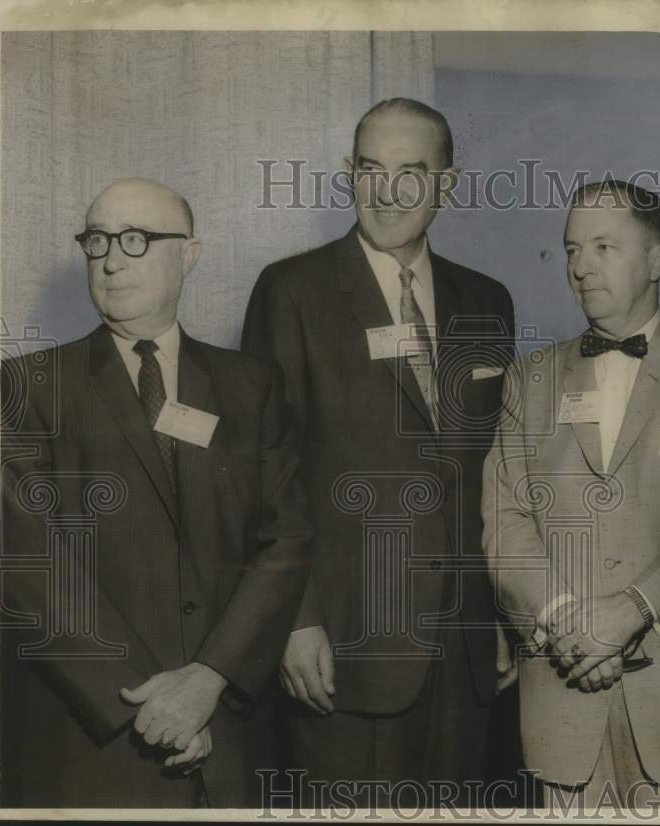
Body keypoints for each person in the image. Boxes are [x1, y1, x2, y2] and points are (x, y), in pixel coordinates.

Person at [0, 177, 316, 807]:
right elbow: (31, 566)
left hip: (227, 737)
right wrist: (155, 706)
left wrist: (207, 681)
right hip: (92, 743)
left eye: (136, 240)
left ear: (189, 254)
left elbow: (285, 539)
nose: (112, 260)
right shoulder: (28, 386)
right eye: (97, 241)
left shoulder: (250, 386)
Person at [242, 98, 516, 804]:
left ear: (447, 185)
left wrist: (500, 617)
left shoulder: (488, 300)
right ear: (348, 174)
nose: (387, 192)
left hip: (463, 652)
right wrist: (295, 621)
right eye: (370, 170)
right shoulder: (291, 291)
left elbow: (496, 475)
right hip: (344, 649)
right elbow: (265, 474)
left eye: (411, 173)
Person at [481, 180, 660, 808]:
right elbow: (504, 525)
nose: (580, 267)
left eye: (604, 247)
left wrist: (636, 609)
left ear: (658, 259)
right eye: (570, 250)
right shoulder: (527, 380)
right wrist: (567, 624)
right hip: (561, 699)